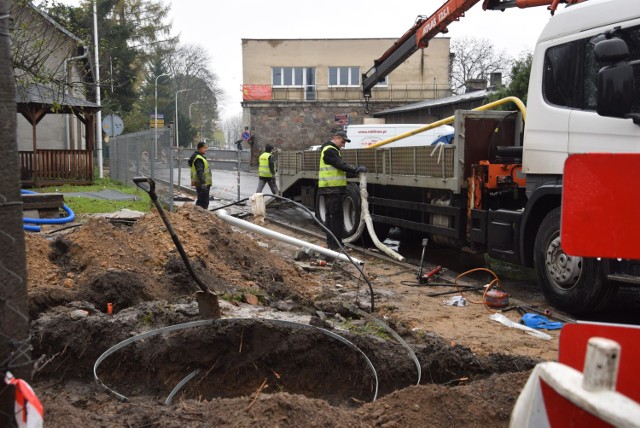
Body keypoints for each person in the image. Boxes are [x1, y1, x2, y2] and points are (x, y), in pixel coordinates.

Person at [317, 130, 367, 251]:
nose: (343, 145)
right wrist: (355, 170)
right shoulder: (330, 150)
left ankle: (333, 244)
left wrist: (349, 174)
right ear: (336, 138)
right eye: (342, 141)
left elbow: (337, 169)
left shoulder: (330, 150)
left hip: (330, 188)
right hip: (332, 189)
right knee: (336, 218)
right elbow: (340, 164)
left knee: (331, 217)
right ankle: (336, 246)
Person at [188, 141, 212, 209]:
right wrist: (203, 183)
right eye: (204, 148)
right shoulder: (199, 159)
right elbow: (200, 171)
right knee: (203, 202)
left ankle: (199, 215)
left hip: (202, 184)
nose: (206, 149)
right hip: (203, 185)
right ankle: (200, 216)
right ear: (200, 148)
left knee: (202, 201)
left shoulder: (199, 157)